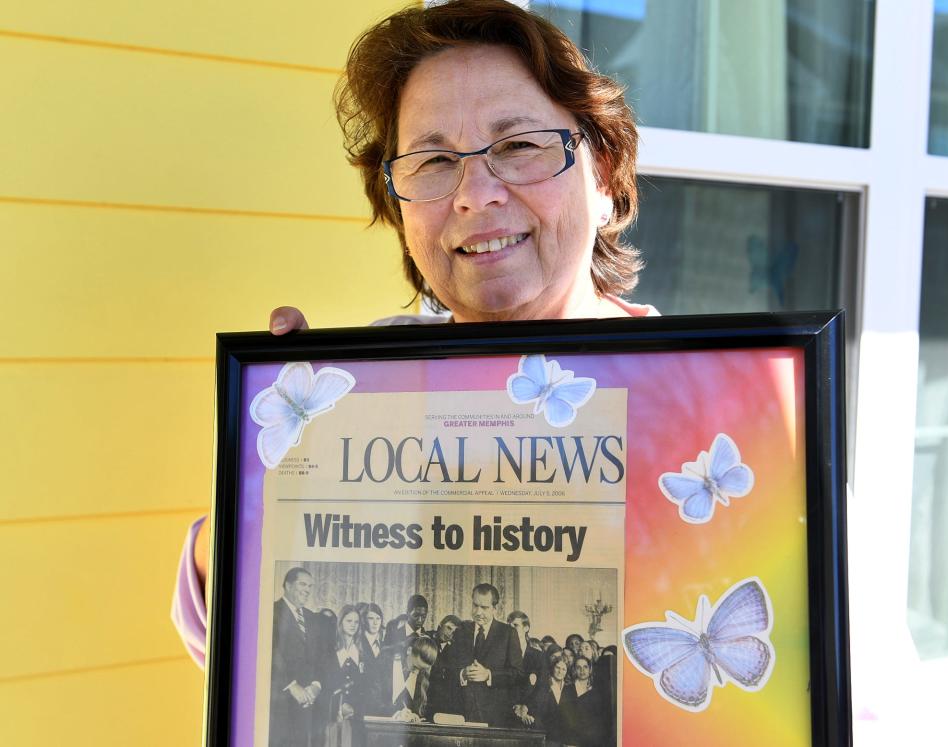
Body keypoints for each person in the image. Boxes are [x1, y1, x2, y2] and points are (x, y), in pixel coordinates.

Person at [172, 0, 654, 669]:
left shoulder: (723, 405)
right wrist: (266, 479)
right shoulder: (357, 393)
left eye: (517, 146)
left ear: (601, 174)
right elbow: (223, 640)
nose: (474, 193)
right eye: (431, 161)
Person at [434, 583, 523, 726]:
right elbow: (445, 668)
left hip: (495, 717)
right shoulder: (460, 631)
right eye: (475, 605)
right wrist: (462, 673)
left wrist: (489, 675)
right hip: (461, 715)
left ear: (495, 608)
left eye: (484, 607)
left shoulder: (508, 633)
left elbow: (518, 674)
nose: (478, 612)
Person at [269, 567, 335, 747]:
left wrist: (316, 685)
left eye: (310, 586)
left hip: (309, 704)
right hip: (281, 703)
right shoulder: (270, 612)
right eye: (302, 584)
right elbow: (271, 653)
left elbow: (323, 657)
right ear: (288, 585)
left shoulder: (314, 619)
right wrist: (291, 686)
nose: (307, 590)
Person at [320, 605, 369, 745]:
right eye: (349, 621)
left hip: (356, 718)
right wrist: (338, 707)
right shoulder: (330, 651)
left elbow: (365, 688)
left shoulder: (362, 653)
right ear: (340, 622)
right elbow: (325, 685)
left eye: (356, 622)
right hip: (332, 717)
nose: (353, 625)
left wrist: (354, 707)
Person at [516, 653, 576, 747]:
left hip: (563, 737)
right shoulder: (543, 685)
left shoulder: (569, 688)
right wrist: (525, 714)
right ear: (552, 668)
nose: (560, 671)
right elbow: (531, 704)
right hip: (545, 736)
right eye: (557, 668)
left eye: (563, 669)